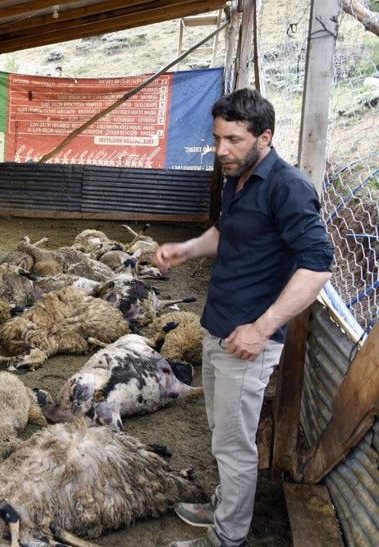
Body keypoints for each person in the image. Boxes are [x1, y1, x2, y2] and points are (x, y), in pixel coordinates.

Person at [158, 89, 333, 547]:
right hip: (219, 327)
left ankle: (227, 537)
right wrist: (187, 249)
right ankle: (224, 505)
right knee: (222, 433)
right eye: (217, 138)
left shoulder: (287, 186)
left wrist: (262, 328)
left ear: (265, 136)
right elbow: (226, 231)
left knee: (234, 445)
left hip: (247, 340)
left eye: (233, 139)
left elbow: (317, 264)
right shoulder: (238, 178)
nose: (221, 151)